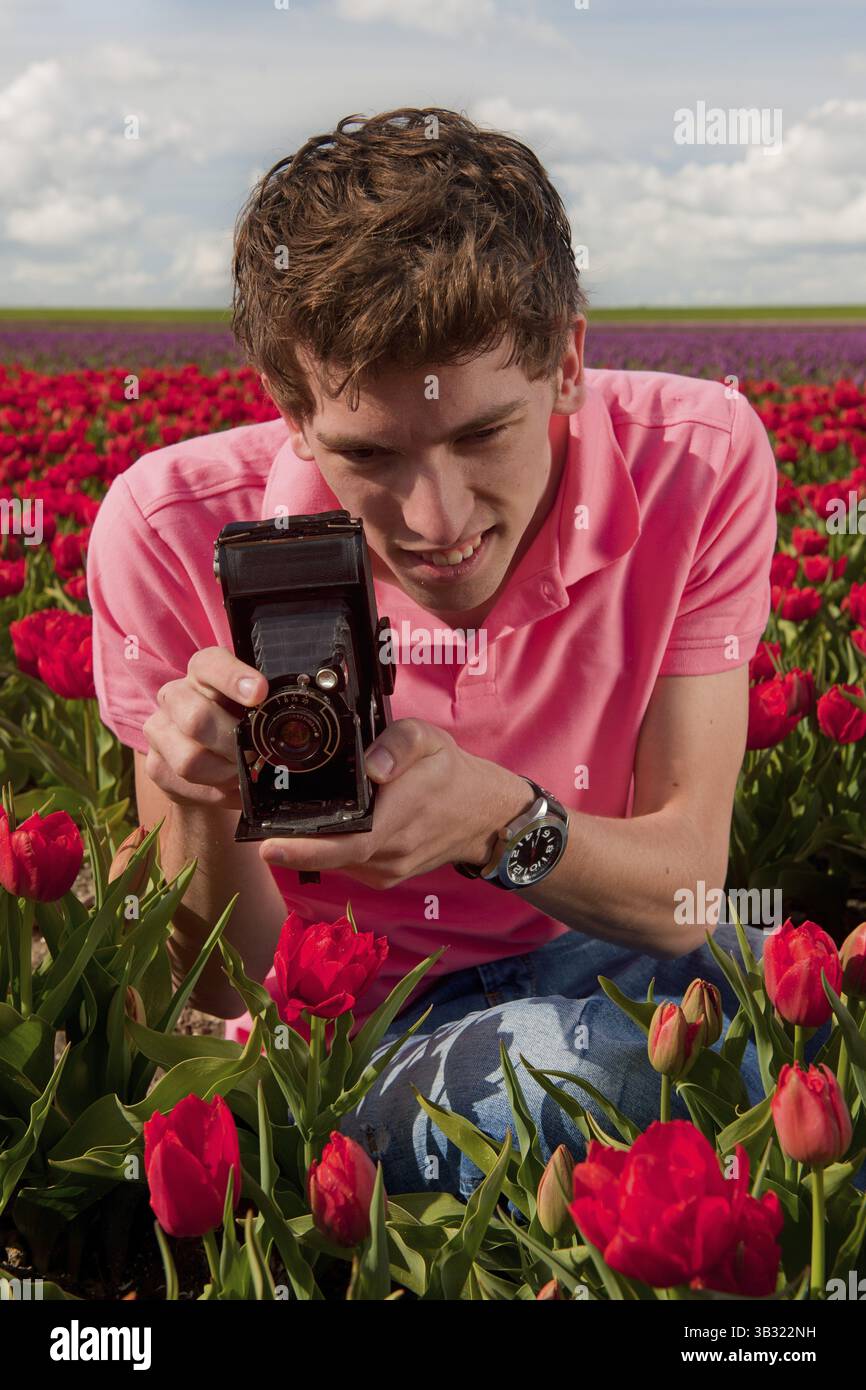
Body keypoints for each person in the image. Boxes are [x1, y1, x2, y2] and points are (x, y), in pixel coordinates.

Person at [87, 106, 779, 1199]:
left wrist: (498, 822)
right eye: (369, 453)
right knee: (596, 1076)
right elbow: (225, 983)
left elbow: (685, 892)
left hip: (612, 931)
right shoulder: (171, 529)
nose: (435, 516)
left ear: (565, 361)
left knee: (789, 998)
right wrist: (202, 804)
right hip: (356, 1016)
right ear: (291, 411)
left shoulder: (695, 459)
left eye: (478, 434)